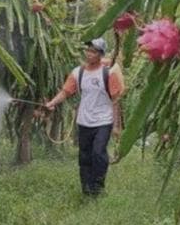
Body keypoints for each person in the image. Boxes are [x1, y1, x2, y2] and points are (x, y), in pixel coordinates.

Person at [45, 38, 123, 196]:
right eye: (88, 50)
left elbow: (116, 101)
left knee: (98, 153)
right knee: (84, 156)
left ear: (100, 55)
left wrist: (116, 125)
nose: (89, 54)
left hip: (103, 121)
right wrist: (52, 102)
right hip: (84, 121)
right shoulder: (77, 73)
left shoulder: (108, 73)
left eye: (93, 51)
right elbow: (65, 92)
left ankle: (98, 188)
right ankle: (86, 189)